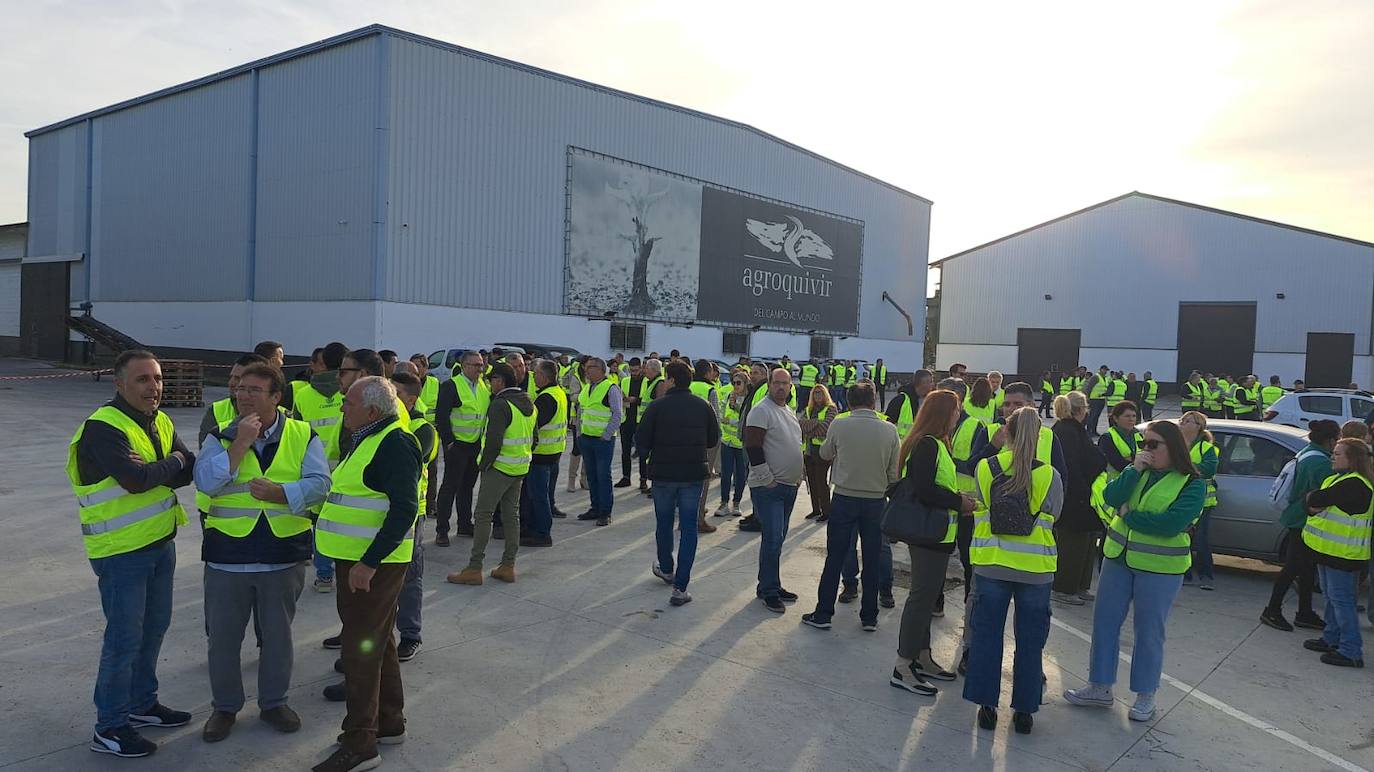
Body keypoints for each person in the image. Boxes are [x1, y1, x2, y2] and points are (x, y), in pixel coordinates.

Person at [70, 351, 196, 758]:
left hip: (159, 543)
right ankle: (109, 726)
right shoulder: (103, 428)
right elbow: (136, 479)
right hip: (121, 552)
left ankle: (142, 703)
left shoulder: (159, 420)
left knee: (154, 628)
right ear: (119, 383)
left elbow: (189, 469)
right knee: (123, 640)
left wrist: (166, 465)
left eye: (157, 378)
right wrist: (172, 461)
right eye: (143, 379)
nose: (153, 387)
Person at [195, 363, 328, 742]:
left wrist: (282, 493)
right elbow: (204, 481)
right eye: (240, 388)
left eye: (254, 390)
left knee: (277, 637)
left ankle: (274, 703)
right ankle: (224, 708)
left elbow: (320, 484)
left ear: (276, 397)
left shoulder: (303, 434)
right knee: (223, 640)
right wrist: (239, 444)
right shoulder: (221, 435)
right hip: (227, 555)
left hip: (281, 554)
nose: (243, 395)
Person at [312, 376, 421, 772]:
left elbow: (405, 509)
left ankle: (361, 743)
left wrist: (369, 562)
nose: (342, 407)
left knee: (360, 651)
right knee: (379, 642)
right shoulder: (368, 438)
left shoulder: (394, 443)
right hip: (357, 560)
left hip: (371, 565)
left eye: (349, 402)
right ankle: (389, 723)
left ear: (372, 410)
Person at [1064, 420, 1205, 723]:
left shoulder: (1192, 483)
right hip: (1118, 559)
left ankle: (1145, 695)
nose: (1146, 450)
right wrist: (1133, 470)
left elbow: (1172, 524)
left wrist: (1129, 516)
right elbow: (1110, 497)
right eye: (1143, 444)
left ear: (1173, 447)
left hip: (1159, 568)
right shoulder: (1138, 472)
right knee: (1105, 623)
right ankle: (1099, 686)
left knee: (1149, 632)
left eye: (1153, 444)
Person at [962, 407, 1063, 734]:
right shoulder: (1049, 475)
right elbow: (1054, 515)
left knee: (986, 637)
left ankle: (986, 706)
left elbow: (979, 505)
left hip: (992, 563)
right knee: (1031, 642)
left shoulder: (986, 467)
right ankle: (1024, 710)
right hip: (1035, 569)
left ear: (1006, 432)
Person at [881, 389, 974, 696]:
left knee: (929, 594)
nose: (959, 414)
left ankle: (921, 656)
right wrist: (958, 501)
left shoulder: (938, 443)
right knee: (921, 599)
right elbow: (923, 489)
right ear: (943, 413)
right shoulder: (927, 445)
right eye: (956, 409)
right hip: (928, 534)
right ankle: (903, 665)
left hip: (939, 534)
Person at [799, 382, 901, 634]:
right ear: (874, 400)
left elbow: (825, 453)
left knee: (835, 556)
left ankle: (824, 613)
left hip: (844, 498)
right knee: (872, 558)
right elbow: (894, 474)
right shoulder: (889, 430)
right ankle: (869, 617)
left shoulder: (840, 424)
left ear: (848, 400)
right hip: (876, 501)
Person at [638, 360, 719, 606]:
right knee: (689, 528)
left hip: (663, 475)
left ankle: (666, 567)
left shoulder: (657, 406)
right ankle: (680, 587)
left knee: (664, 523)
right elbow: (713, 438)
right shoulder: (703, 406)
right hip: (692, 475)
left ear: (671, 380)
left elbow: (642, 441)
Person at [447, 363, 534, 584]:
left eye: (491, 379)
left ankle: (474, 568)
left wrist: (484, 465)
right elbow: (535, 438)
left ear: (500, 381)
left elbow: (494, 441)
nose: (489, 383)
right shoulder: (528, 402)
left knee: (483, 515)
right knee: (511, 515)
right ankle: (508, 565)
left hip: (499, 468)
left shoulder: (500, 405)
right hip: (519, 468)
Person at [1301, 438, 1373, 667]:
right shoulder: (1337, 479)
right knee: (1331, 598)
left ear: (1352, 459)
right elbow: (1311, 503)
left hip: (1344, 555)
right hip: (1328, 552)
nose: (1332, 457)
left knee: (1342, 601)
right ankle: (1331, 638)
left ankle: (1351, 651)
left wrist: (1313, 500)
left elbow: (1316, 499)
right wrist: (1313, 501)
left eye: (1338, 454)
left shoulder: (1355, 484)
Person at [1260, 420, 1338, 632]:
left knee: (1306, 568)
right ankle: (1272, 610)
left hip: (1297, 515)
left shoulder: (1308, 453)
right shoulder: (1320, 463)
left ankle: (1305, 612)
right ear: (1331, 440)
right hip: (1303, 519)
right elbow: (1327, 493)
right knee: (1293, 567)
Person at [746, 368, 805, 613]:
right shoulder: (761, 410)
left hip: (788, 486)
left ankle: (770, 584)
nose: (781, 387)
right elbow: (752, 446)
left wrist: (799, 474)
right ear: (769, 384)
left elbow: (794, 444)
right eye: (777, 382)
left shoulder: (788, 411)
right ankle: (769, 591)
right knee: (772, 539)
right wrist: (767, 478)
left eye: (785, 383)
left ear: (791, 386)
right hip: (769, 488)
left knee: (777, 539)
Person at [388, 372, 436, 661]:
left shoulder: (422, 429)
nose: (389, 399)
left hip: (409, 514)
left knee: (409, 576)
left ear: (411, 399)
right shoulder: (379, 425)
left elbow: (406, 466)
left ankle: (410, 634)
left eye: (395, 394)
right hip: (375, 511)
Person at [292, 341, 347, 591]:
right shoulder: (351, 392)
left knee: (321, 523)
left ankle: (324, 576)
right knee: (350, 522)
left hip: (316, 471)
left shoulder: (302, 395)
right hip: (348, 470)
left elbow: (297, 435)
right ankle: (348, 573)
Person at [1051, 391, 1107, 606]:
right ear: (1082, 410)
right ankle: (1064, 587)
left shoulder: (1073, 428)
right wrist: (1082, 491)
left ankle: (1080, 585)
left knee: (1087, 543)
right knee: (1072, 544)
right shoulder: (1067, 430)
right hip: (1076, 498)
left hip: (1084, 496)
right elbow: (1071, 464)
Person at [197, 353, 268, 513]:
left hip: (269, 514)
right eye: (232, 377)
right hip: (219, 510)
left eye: (238, 378)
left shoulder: (284, 417)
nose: (231, 383)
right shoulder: (216, 411)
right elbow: (207, 462)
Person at [433, 351, 489, 545]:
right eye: (476, 365)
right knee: (450, 486)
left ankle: (464, 524)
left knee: (467, 487)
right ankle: (442, 530)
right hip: (457, 445)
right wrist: (449, 442)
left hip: (475, 444)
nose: (480, 369)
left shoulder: (482, 387)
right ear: (464, 366)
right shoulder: (451, 386)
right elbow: (441, 416)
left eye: (481, 365)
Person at [519, 360, 567, 548]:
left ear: (544, 376)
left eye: (536, 374)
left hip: (542, 454)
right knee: (539, 494)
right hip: (553, 452)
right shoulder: (558, 393)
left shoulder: (546, 398)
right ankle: (533, 528)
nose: (533, 377)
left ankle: (542, 533)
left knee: (538, 496)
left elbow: (535, 424)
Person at [578, 357, 624, 525]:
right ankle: (595, 508)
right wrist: (579, 433)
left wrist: (606, 435)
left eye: (590, 367)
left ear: (600, 370)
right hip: (586, 438)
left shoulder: (611, 388)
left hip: (602, 441)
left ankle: (605, 512)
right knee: (592, 476)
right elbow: (581, 410)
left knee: (603, 476)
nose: (586, 370)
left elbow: (617, 414)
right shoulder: (587, 387)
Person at [1180, 412, 1220, 590]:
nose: (1183, 423)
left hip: (1203, 501)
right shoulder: (1177, 445)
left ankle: (1206, 576)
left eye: (1189, 421)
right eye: (1183, 420)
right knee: (1182, 537)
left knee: (1201, 539)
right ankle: (1184, 573)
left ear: (1199, 427)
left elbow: (1209, 469)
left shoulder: (1206, 447)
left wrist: (1185, 467)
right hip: (1181, 498)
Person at [687, 359, 721, 535]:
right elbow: (715, 418)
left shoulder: (689, 387)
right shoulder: (710, 390)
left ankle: (685, 518)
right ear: (708, 373)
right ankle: (699, 519)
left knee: (687, 480)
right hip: (706, 440)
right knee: (703, 481)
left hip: (687, 438)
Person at [714, 370, 750, 518]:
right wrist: (727, 419)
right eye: (733, 382)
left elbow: (745, 418)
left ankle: (736, 503)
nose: (735, 385)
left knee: (741, 475)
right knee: (726, 474)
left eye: (738, 383)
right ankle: (723, 503)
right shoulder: (729, 396)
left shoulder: (748, 400)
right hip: (727, 441)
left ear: (745, 384)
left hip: (741, 444)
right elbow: (722, 415)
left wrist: (733, 418)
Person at [799, 385, 837, 521]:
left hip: (823, 452)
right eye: (815, 393)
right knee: (812, 482)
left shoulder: (831, 409)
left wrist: (809, 427)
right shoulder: (809, 409)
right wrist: (816, 423)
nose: (818, 396)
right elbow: (800, 424)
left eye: (820, 393)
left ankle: (826, 511)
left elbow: (826, 428)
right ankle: (816, 509)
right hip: (809, 452)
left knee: (821, 482)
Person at [635, 358, 666, 495]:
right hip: (646, 425)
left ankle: (656, 486)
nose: (644, 370)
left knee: (654, 458)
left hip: (653, 427)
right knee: (646, 457)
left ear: (654, 369)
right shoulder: (650, 382)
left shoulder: (660, 383)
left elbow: (660, 405)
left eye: (646, 368)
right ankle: (649, 483)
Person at [616, 357, 643, 488]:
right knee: (625, 451)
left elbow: (647, 399)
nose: (633, 373)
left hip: (640, 421)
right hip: (626, 419)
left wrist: (635, 400)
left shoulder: (646, 382)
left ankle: (643, 480)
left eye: (636, 370)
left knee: (642, 452)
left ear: (641, 368)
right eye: (631, 370)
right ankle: (626, 477)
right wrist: (623, 398)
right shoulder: (625, 381)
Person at [1098, 401, 1141, 482]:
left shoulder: (1139, 435)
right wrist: (1139, 460)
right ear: (1115, 418)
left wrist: (1132, 459)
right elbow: (1119, 464)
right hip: (1115, 482)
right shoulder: (1107, 438)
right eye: (1127, 416)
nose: (1131, 419)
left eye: (1134, 416)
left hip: (1136, 481)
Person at [885, 368, 933, 440]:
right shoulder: (900, 400)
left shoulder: (929, 401)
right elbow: (887, 423)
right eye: (930, 382)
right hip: (900, 444)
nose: (932, 385)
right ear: (921, 383)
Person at [1085, 366, 1111, 436]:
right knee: (1092, 415)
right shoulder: (1095, 377)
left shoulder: (1105, 378)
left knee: (1097, 416)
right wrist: (1087, 397)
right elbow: (1089, 387)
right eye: (1104, 370)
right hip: (1094, 399)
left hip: (1101, 399)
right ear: (1100, 370)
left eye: (1106, 370)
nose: (1105, 371)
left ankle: (1094, 430)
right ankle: (1089, 431)